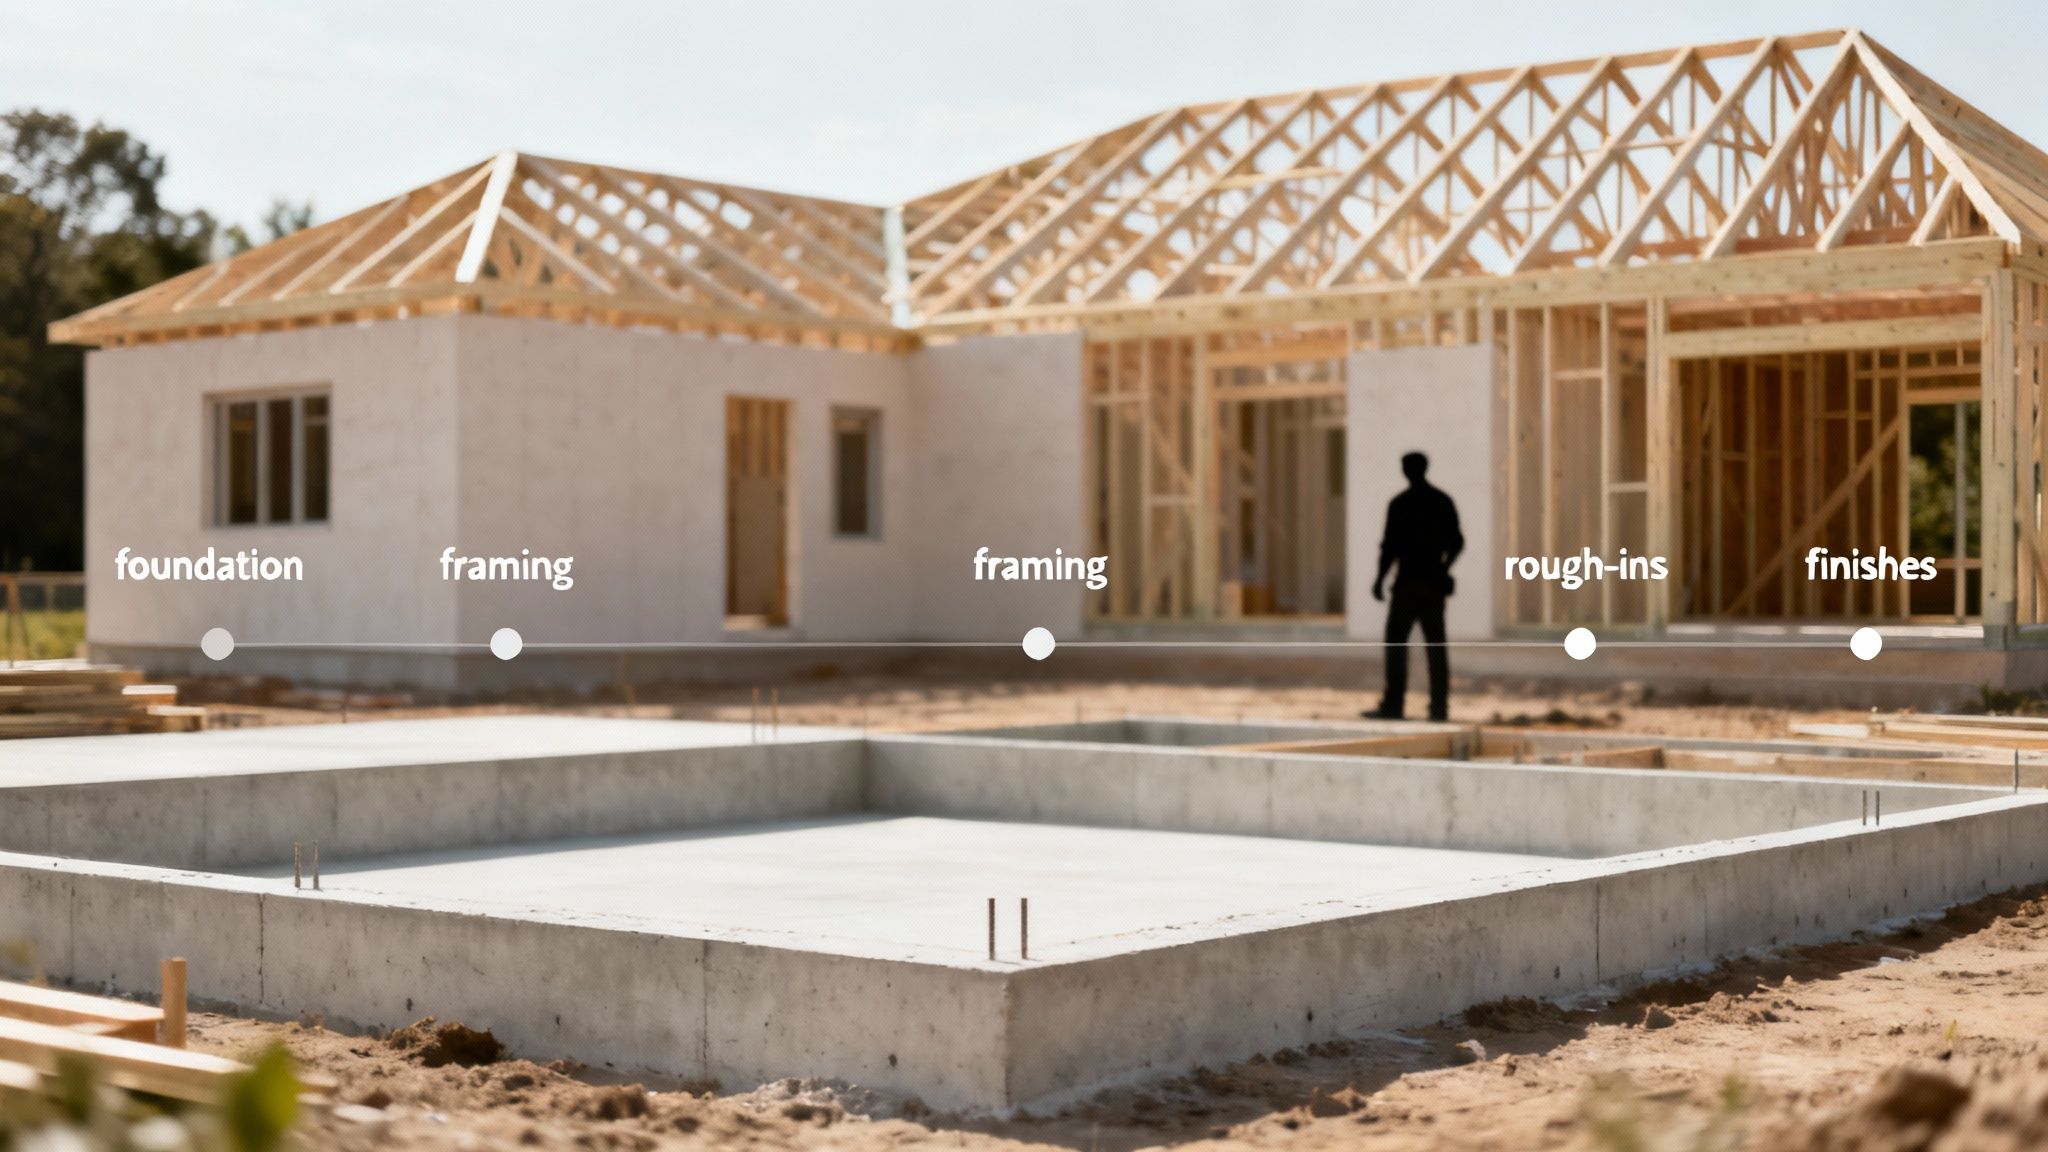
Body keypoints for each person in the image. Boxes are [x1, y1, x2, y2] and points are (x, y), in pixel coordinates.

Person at [1365, 452, 1463, 721]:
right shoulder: (1440, 502)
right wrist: (1443, 567)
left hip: (1409, 583)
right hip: (1429, 583)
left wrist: (1379, 579)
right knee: (1434, 647)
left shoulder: (1401, 504)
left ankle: (1396, 704)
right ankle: (1438, 707)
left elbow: (1389, 548)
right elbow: (1456, 543)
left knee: (1401, 645)